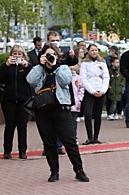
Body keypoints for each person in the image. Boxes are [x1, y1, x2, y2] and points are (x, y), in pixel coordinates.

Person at [26, 43, 89, 183]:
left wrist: (54, 66)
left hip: (61, 109)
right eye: (47, 54)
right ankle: (54, 171)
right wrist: (41, 65)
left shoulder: (63, 68)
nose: (50, 57)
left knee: (70, 142)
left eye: (53, 54)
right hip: (42, 111)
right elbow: (30, 80)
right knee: (49, 143)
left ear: (57, 55)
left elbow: (66, 81)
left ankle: (79, 170)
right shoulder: (38, 69)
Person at [0, 44, 34, 159]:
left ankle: (22, 151)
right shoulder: (7, 67)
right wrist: (6, 65)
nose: (17, 56)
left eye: (19, 54)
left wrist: (27, 66)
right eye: (14, 54)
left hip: (23, 100)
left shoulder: (27, 67)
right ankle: (7, 151)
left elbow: (33, 78)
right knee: (9, 126)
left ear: (23, 55)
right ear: (11, 55)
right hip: (9, 100)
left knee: (22, 126)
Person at [80, 44, 110, 144]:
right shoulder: (85, 63)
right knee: (88, 114)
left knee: (98, 115)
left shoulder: (102, 63)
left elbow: (106, 77)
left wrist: (102, 90)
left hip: (101, 91)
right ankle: (90, 136)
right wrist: (92, 91)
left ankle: (96, 137)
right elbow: (83, 79)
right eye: (92, 50)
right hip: (90, 92)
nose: (94, 52)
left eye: (96, 50)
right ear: (88, 51)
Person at [69, 64, 84, 141]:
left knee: (73, 123)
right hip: (65, 104)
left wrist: (79, 99)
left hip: (75, 104)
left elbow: (81, 88)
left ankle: (74, 138)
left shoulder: (77, 77)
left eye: (72, 65)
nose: (71, 67)